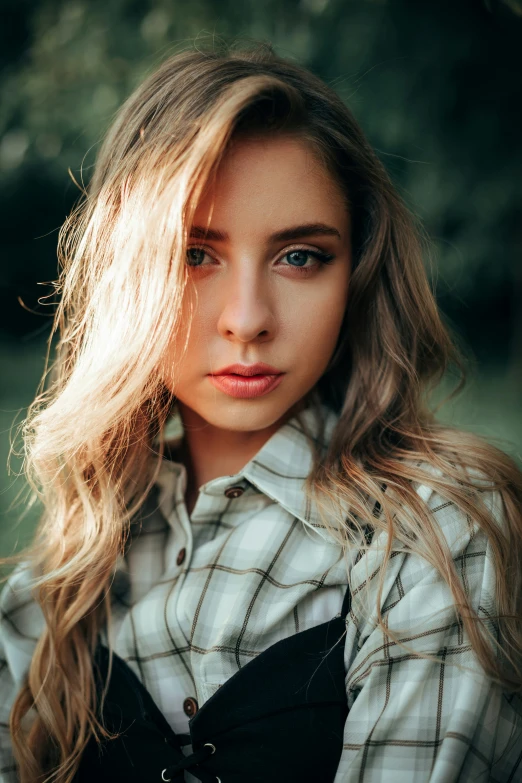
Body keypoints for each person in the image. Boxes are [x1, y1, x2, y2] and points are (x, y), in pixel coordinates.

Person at [1, 40, 521, 783]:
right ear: (127, 271)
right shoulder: (50, 595)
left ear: (359, 273)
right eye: (194, 254)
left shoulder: (436, 529)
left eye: (300, 256)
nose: (247, 319)